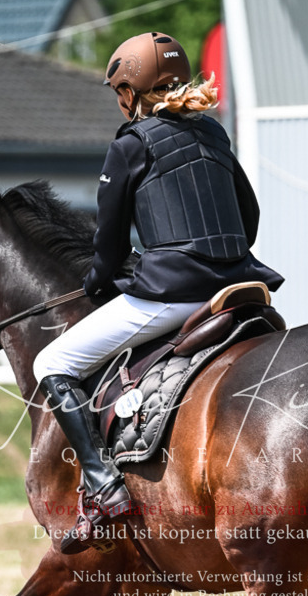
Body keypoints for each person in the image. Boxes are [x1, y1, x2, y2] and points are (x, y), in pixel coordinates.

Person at [33, 31, 284, 552]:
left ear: (130, 89)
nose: (118, 100)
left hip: (173, 295)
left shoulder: (131, 144)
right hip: (241, 284)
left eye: (118, 91)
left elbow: (108, 237)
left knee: (51, 364)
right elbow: (250, 215)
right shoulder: (213, 133)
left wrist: (97, 282)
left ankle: (103, 487)